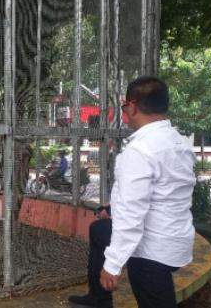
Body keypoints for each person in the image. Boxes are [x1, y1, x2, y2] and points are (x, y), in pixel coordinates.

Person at [69, 76, 196, 308]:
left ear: (133, 105)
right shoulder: (177, 142)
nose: (125, 110)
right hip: (176, 236)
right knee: (100, 230)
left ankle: (102, 292)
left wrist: (113, 265)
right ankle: (98, 300)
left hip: (151, 250)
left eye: (124, 105)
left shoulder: (140, 150)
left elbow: (131, 215)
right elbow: (164, 193)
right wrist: (114, 209)